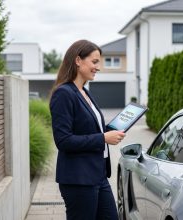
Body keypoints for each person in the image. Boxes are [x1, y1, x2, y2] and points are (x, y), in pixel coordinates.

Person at [49, 39, 126, 220]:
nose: (98, 67)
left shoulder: (84, 91)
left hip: (98, 174)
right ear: (78, 61)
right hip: (78, 179)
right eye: (94, 62)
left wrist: (111, 131)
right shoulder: (63, 94)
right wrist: (103, 138)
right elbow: (63, 140)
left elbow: (90, 128)